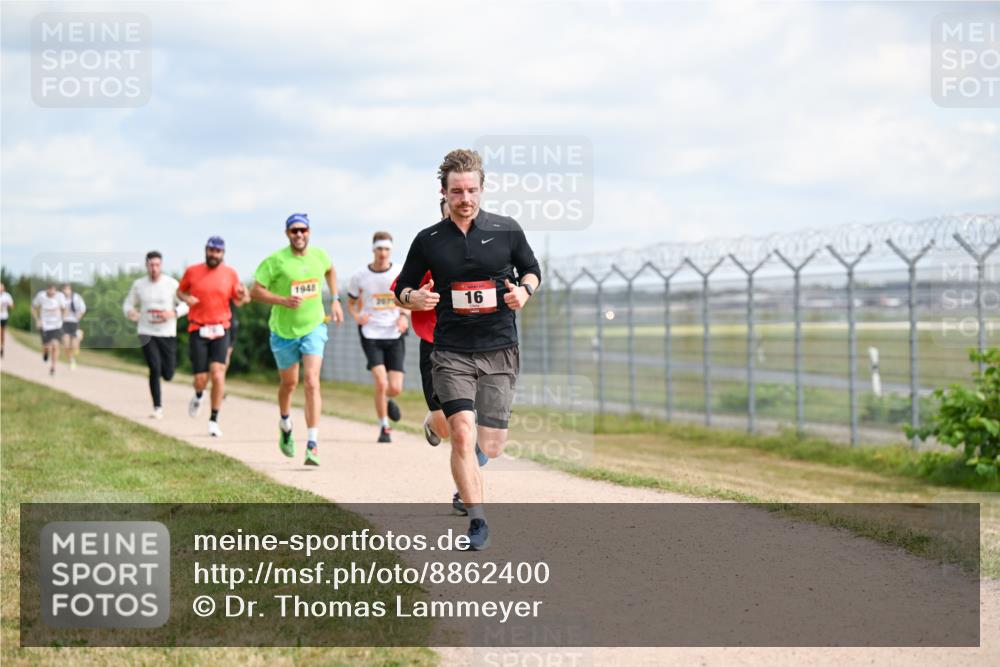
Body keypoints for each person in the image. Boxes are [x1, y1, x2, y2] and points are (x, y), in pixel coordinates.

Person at [394, 149, 541, 550]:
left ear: (482, 189)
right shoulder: (428, 240)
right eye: (457, 191)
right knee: (461, 432)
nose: (465, 198)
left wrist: (524, 292)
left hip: (498, 348)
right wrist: (414, 299)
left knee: (490, 444)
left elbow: (532, 269)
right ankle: (477, 519)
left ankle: (468, 470)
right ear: (444, 192)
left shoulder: (506, 230)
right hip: (451, 350)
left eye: (472, 190)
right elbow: (402, 287)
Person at [392, 199, 487, 516]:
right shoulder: (430, 247)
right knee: (451, 426)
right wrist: (416, 299)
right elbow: (400, 289)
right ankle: (434, 425)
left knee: (470, 427)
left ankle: (467, 494)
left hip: (478, 344)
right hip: (435, 345)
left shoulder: (487, 247)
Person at [251, 213, 344, 466]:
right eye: (294, 231)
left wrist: (335, 300)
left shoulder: (319, 255)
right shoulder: (276, 261)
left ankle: (312, 444)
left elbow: (330, 270)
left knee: (312, 382)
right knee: (289, 384)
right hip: (283, 332)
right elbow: (255, 291)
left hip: (313, 327)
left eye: (303, 230)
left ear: (309, 232)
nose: (299, 235)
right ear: (287, 234)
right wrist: (282, 300)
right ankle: (285, 423)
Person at [177, 236, 249, 437]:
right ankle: (199, 395)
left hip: (220, 329)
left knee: (218, 373)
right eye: (211, 250)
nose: (214, 255)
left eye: (217, 252)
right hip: (198, 328)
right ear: (205, 251)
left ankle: (214, 420)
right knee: (201, 378)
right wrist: (186, 298)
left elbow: (241, 300)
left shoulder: (230, 274)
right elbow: (180, 292)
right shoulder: (192, 271)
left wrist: (243, 294)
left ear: (223, 254)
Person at [348, 231, 409, 443]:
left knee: (395, 387)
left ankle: (388, 401)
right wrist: (357, 316)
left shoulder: (400, 273)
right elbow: (351, 301)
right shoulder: (360, 276)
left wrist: (403, 316)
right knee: (381, 383)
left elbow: (407, 300)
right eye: (379, 249)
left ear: (391, 250)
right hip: (370, 332)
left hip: (394, 332)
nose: (383, 253)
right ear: (373, 250)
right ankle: (384, 427)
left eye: (386, 249)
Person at [123, 251, 190, 419]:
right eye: (151, 265)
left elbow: (186, 304)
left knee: (168, 374)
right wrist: (130, 312)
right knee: (154, 367)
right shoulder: (139, 284)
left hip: (167, 333)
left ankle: (165, 379)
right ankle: (157, 407)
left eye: (157, 265)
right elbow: (128, 304)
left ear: (161, 265)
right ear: (146, 265)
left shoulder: (171, 284)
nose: (154, 268)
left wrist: (173, 312)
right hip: (146, 331)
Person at [31, 283, 67, 376]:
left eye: (53, 291)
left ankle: (53, 367)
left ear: (55, 290)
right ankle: (46, 352)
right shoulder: (41, 296)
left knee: (55, 345)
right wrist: (37, 320)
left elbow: (65, 309)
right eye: (49, 290)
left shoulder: (60, 297)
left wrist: (63, 319)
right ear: (47, 290)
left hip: (56, 325)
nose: (51, 292)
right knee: (46, 346)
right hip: (45, 325)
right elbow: (33, 308)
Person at [60, 283, 86, 370]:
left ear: (70, 290)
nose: (66, 291)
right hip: (64, 323)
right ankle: (71, 361)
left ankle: (79, 336)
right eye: (65, 289)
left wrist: (79, 316)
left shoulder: (76, 297)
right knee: (66, 344)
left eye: (68, 289)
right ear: (62, 290)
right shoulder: (60, 298)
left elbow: (83, 308)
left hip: (74, 323)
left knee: (74, 347)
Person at [0, 282, 13, 358]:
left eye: (1, 287)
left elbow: (12, 305)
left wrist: (7, 304)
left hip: (4, 316)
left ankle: (2, 348)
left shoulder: (7, 296)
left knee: (2, 334)